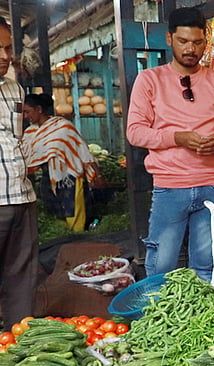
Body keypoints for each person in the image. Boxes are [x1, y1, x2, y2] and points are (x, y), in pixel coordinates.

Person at [126, 6, 214, 282]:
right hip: (170, 187)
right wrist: (178, 138)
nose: (191, 49)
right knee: (161, 265)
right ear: (169, 39)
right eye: (183, 41)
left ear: (205, 41)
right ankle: (158, 309)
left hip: (213, 186)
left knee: (207, 265)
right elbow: (135, 132)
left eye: (197, 42)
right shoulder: (149, 80)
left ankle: (202, 310)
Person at [0, 17, 38, 330]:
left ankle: (18, 340)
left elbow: (16, 139)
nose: (4, 56)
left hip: (21, 195)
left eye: (7, 48)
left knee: (21, 276)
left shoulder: (14, 90)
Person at [21, 93, 99, 232]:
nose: (25, 116)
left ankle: (77, 238)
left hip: (70, 177)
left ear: (39, 109)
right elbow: (28, 156)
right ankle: (63, 237)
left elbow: (82, 150)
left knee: (72, 212)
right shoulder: (30, 132)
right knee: (55, 212)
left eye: (27, 112)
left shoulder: (63, 126)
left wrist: (97, 174)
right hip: (48, 179)